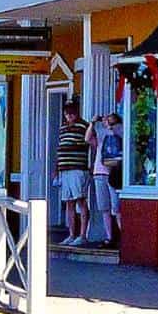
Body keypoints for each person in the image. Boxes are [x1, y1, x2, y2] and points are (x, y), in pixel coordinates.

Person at [55, 100, 94, 246]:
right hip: (65, 169)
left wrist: (91, 165)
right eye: (66, 113)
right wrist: (56, 169)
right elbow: (59, 149)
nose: (69, 116)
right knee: (69, 203)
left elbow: (91, 144)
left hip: (78, 168)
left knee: (81, 201)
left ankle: (83, 234)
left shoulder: (83, 126)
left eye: (71, 113)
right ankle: (71, 234)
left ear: (76, 113)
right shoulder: (62, 129)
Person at [89, 113, 123, 249]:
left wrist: (109, 125)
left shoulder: (118, 131)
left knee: (117, 208)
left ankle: (123, 237)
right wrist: (92, 123)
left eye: (110, 120)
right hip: (100, 173)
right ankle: (109, 237)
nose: (106, 122)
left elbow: (118, 132)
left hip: (114, 172)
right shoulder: (101, 136)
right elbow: (87, 138)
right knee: (105, 208)